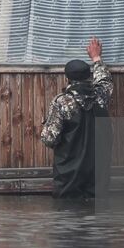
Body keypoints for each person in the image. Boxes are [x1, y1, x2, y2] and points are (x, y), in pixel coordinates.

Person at [39, 37, 113, 198]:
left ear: (68, 79)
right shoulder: (101, 96)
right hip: (97, 179)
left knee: (68, 217)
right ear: (89, 76)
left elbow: (48, 139)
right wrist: (96, 58)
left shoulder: (62, 102)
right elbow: (105, 80)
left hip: (69, 178)